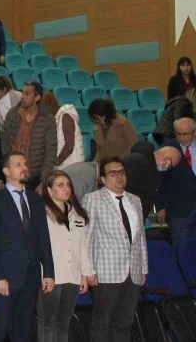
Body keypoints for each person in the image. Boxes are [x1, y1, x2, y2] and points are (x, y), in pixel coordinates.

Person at [0, 151, 55, 342]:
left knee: (24, 329)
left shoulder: (36, 200)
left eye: (25, 164)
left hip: (31, 275)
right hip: (6, 276)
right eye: (18, 164)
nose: (24, 168)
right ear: (6, 170)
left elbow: (43, 238)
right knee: (0, 329)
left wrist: (48, 271)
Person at [83, 158, 147, 342]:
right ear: (103, 179)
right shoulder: (92, 199)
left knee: (124, 322)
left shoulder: (135, 200)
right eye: (113, 173)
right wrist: (88, 270)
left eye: (122, 172)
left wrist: (143, 268)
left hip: (134, 272)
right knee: (102, 322)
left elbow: (141, 237)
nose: (119, 176)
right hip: (106, 272)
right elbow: (86, 237)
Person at [38, 170, 91, 342]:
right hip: (50, 275)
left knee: (63, 323)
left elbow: (82, 246)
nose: (66, 188)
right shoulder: (41, 213)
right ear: (49, 189)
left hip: (73, 275)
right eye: (60, 185)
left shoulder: (78, 214)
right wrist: (43, 273)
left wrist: (85, 274)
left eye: (68, 185)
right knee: (48, 322)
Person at [0, 81, 58, 192]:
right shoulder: (13, 114)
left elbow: (50, 152)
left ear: (37, 97)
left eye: (27, 94)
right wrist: (7, 162)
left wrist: (43, 181)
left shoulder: (48, 119)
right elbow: (4, 139)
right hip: (12, 174)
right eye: (22, 93)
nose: (22, 97)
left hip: (34, 176)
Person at [40, 92, 93, 199]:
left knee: (74, 198)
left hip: (73, 166)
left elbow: (69, 146)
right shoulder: (57, 118)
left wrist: (56, 162)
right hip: (65, 166)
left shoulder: (65, 116)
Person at [156, 117, 196, 245]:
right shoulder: (166, 150)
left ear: (194, 132)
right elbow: (159, 180)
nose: (182, 137)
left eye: (185, 134)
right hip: (179, 209)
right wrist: (160, 207)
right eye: (178, 134)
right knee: (181, 246)